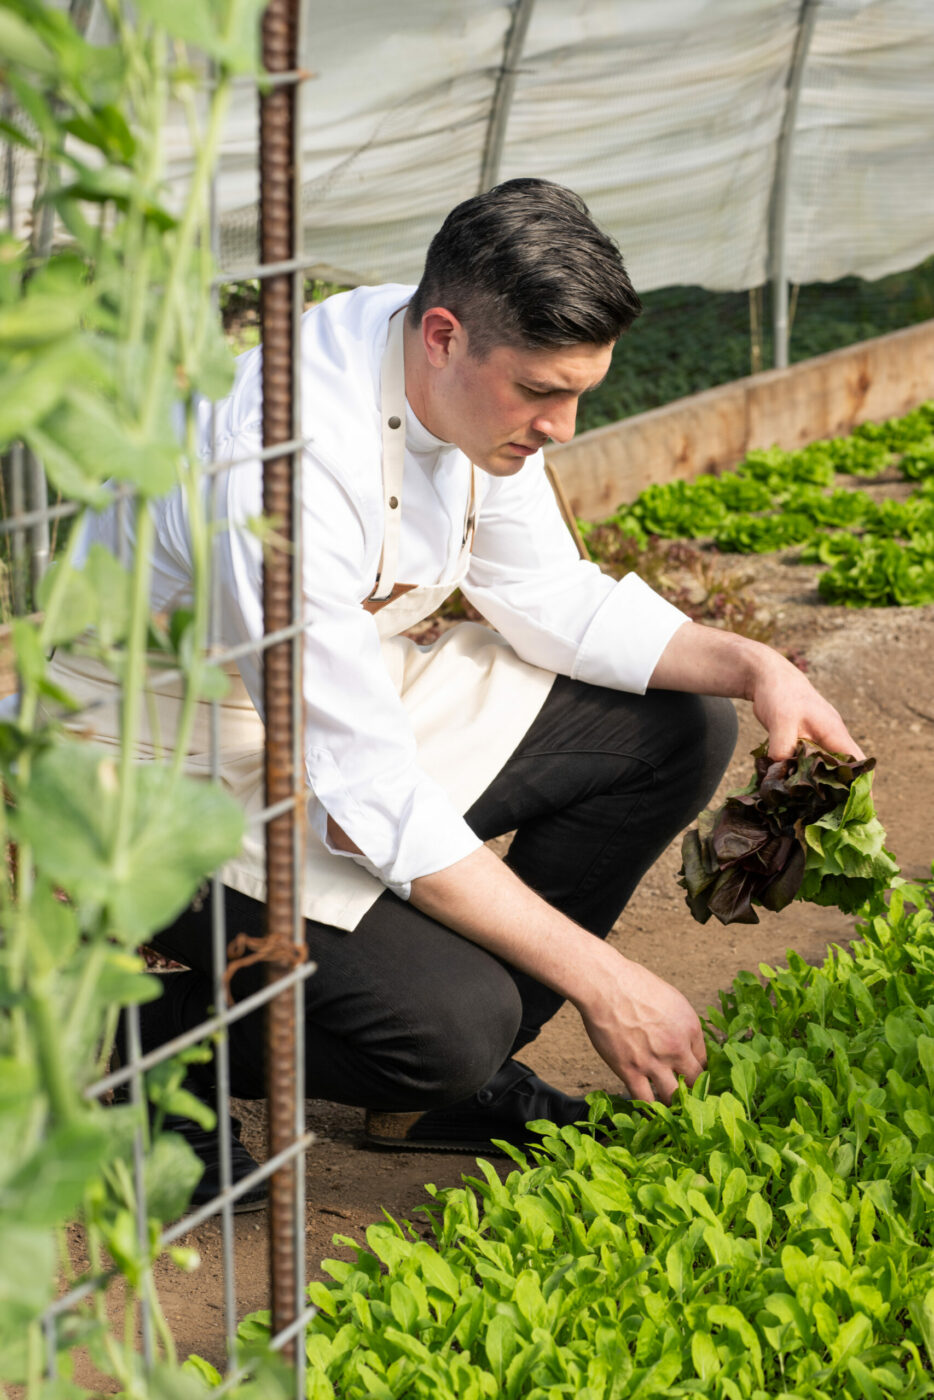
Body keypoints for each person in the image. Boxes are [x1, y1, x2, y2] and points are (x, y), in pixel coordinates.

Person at [71, 178, 862, 1209]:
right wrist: (602, 976)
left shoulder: (453, 373)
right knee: (442, 1028)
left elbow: (544, 594)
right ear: (444, 335)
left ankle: (434, 1080)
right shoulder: (281, 467)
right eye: (543, 391)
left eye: (579, 392)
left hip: (317, 709)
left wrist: (763, 667)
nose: (562, 426)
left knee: (672, 724)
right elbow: (362, 801)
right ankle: (135, 1046)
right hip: (150, 759)